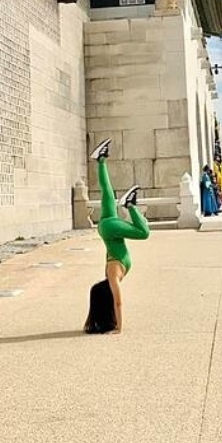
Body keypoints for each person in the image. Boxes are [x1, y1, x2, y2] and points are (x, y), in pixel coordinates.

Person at [84, 138, 150, 335]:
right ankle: (100, 159)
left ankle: (129, 205)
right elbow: (117, 301)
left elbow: (119, 303)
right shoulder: (111, 273)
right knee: (107, 193)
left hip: (111, 229)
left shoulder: (113, 274)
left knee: (144, 233)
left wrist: (119, 328)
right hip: (106, 227)